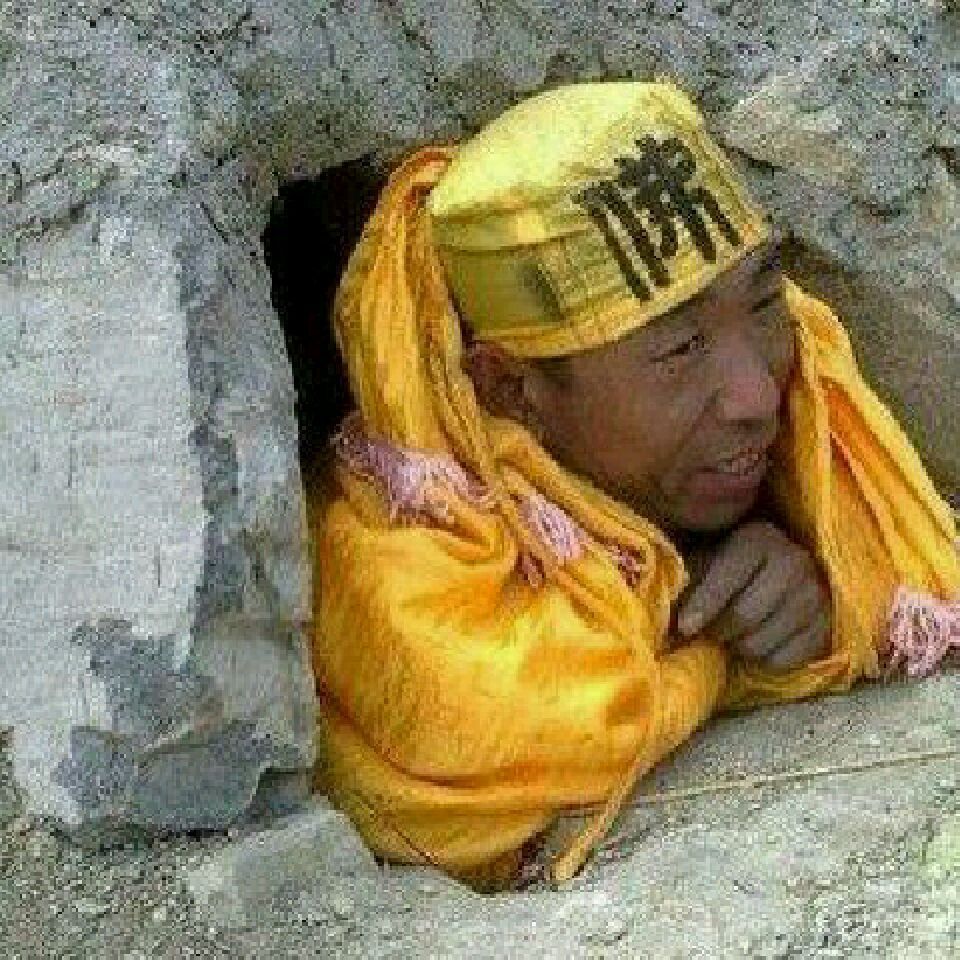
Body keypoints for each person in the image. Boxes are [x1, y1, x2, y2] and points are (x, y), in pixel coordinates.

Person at [307, 80, 960, 892]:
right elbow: (519, 727)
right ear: (511, 391)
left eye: (763, 303)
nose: (758, 395)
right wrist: (716, 646)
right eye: (680, 350)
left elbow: (887, 569)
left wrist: (824, 584)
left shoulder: (803, 387)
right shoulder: (396, 555)